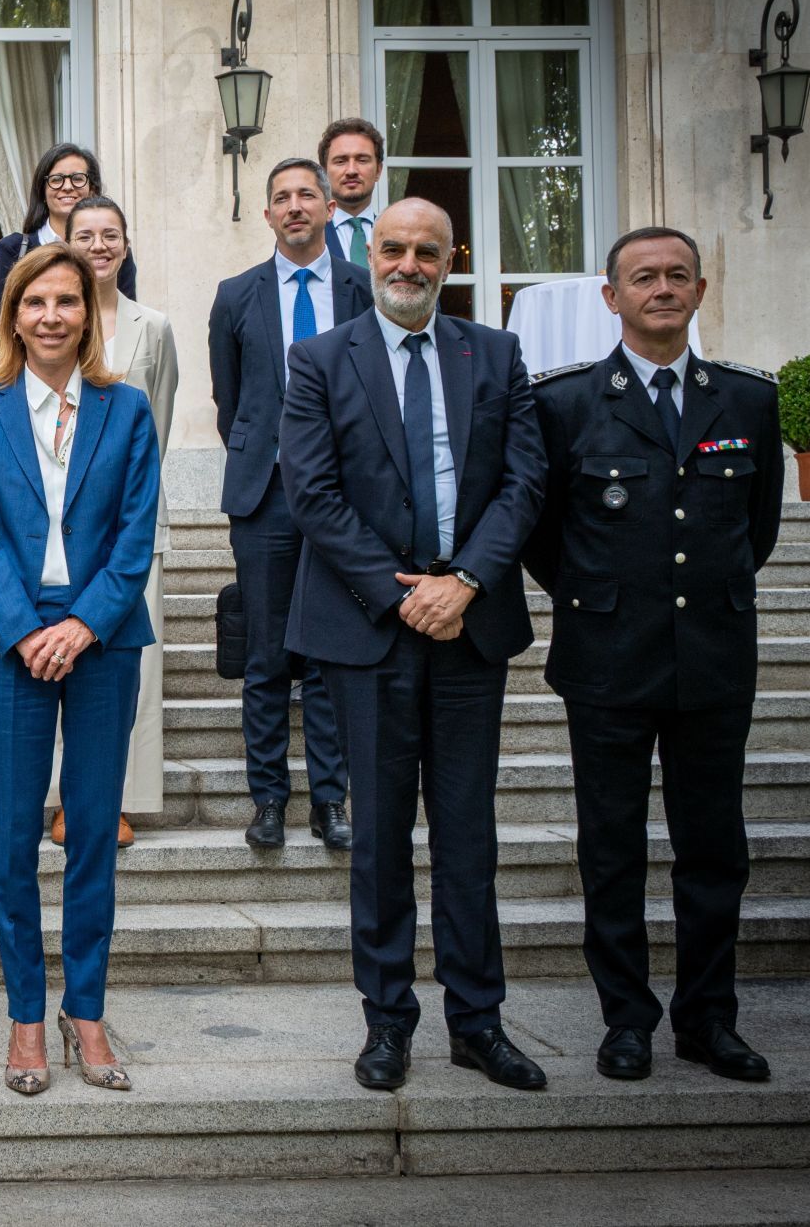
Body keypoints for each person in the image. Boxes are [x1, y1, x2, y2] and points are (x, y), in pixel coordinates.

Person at [281, 197, 548, 1094]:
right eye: (393, 248)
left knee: (469, 835)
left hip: (470, 623)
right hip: (371, 628)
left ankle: (478, 1021)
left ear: (448, 259)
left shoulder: (497, 353)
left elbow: (523, 482)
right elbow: (314, 495)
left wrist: (465, 580)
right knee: (381, 836)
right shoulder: (320, 358)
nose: (408, 263)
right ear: (372, 256)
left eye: (426, 251)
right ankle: (387, 1020)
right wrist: (402, 595)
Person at [524, 227, 785, 1085]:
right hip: (607, 661)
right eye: (644, 277)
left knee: (715, 849)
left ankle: (710, 1020)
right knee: (612, 848)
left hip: (713, 656)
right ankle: (627, 1020)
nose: (662, 288)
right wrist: (602, 596)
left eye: (678, 276)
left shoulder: (746, 401)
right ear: (612, 297)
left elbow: (758, 530)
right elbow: (545, 537)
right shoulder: (565, 404)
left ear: (701, 292)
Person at [0, 242, 160, 1097]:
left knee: (91, 834)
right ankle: (26, 1017)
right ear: (12, 314)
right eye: (34, 302)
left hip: (103, 637)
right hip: (8, 637)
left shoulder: (127, 407)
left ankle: (88, 1010)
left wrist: (82, 622)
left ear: (87, 313)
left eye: (67, 302)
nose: (50, 317)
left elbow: (136, 532)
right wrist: (26, 627)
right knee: (9, 842)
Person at [208, 159, 371, 851]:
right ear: (269, 214)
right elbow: (229, 396)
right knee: (268, 653)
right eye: (283, 197)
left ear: (331, 207)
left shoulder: (363, 289)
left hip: (344, 499)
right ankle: (269, 795)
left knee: (332, 651)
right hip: (265, 494)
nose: (296, 205)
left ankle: (330, 799)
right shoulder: (236, 294)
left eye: (309, 194)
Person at [47, 196, 175, 850]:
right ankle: (63, 797)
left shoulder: (151, 327)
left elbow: (158, 428)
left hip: (128, 530)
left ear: (125, 246)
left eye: (110, 235)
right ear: (65, 241)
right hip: (53, 527)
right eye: (85, 234)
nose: (98, 245)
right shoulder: (44, 319)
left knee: (130, 672)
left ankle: (116, 797)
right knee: (56, 656)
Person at [0, 144, 138, 325]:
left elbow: (127, 318)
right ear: (42, 190)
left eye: (78, 178)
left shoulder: (109, 252)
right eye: (56, 179)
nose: (67, 187)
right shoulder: (14, 249)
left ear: (92, 189)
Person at [320, 118, 385, 269]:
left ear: (378, 170)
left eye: (362, 160)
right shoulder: (307, 237)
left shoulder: (396, 234)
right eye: (340, 161)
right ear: (323, 172)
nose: (351, 171)